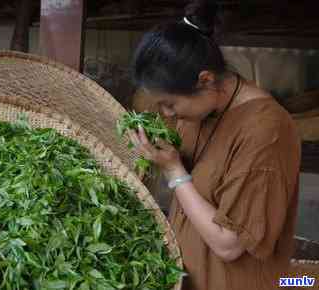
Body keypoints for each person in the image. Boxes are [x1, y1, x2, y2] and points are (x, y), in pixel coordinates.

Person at [127, 1, 301, 289]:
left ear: (206, 80)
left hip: (237, 283)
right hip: (190, 277)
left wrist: (174, 172)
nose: (167, 114)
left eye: (169, 104)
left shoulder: (266, 131)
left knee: (302, 282)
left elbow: (229, 244)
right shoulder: (201, 109)